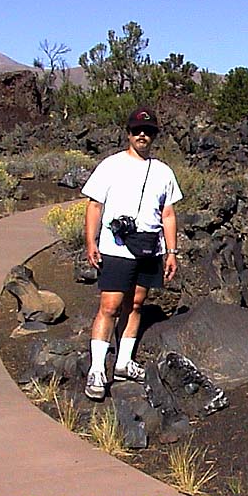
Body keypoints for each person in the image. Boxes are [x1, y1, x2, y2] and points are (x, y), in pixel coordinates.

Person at [81, 106, 183, 400]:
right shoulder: (110, 166)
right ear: (128, 133)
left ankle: (124, 362)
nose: (142, 135)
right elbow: (94, 206)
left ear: (154, 136)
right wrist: (91, 242)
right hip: (116, 247)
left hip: (150, 247)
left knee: (136, 304)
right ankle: (97, 368)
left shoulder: (163, 172)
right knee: (110, 306)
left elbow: (168, 214)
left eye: (148, 131)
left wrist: (171, 251)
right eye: (137, 130)